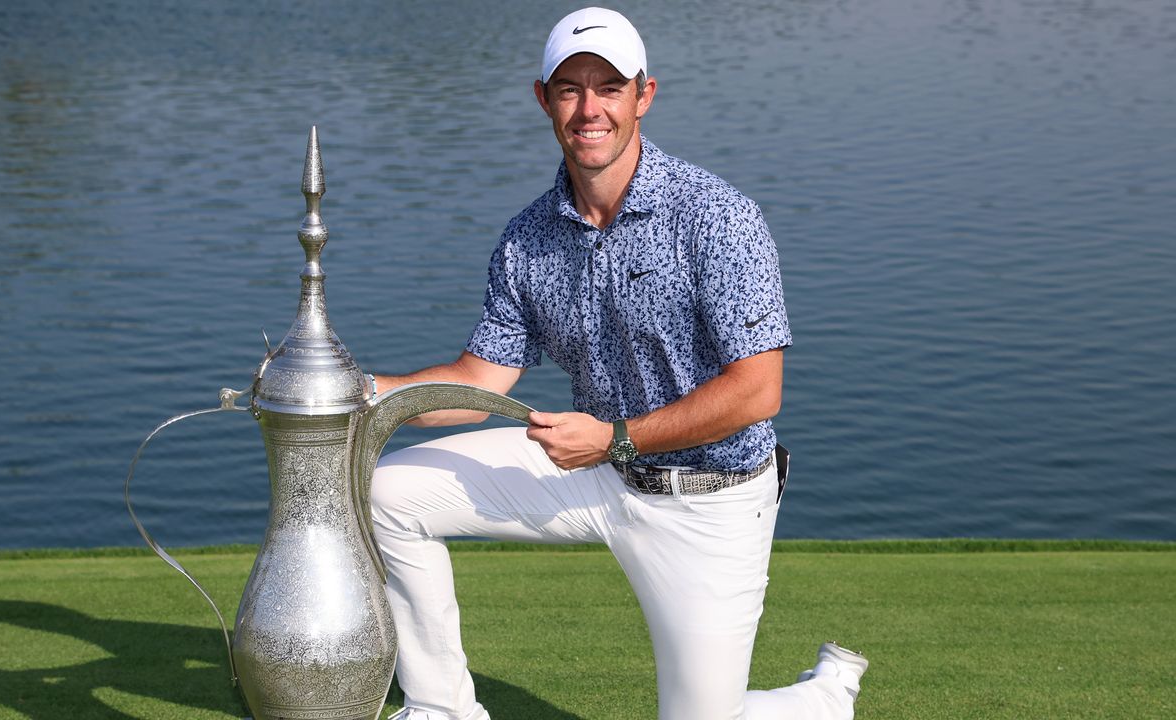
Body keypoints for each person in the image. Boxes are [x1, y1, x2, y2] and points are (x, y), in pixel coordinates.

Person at [369, 7, 868, 720]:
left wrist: (614, 437)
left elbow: (758, 392)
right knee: (388, 493)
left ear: (645, 95)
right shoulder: (528, 237)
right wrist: (356, 391)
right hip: (593, 470)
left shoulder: (715, 217)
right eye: (569, 88)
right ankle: (442, 710)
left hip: (710, 498)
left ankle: (820, 701)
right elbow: (479, 384)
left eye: (609, 86)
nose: (589, 108)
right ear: (543, 98)